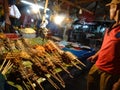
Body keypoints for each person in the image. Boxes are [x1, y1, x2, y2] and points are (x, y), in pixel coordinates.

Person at [87, 0, 120, 90]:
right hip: (97, 66)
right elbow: (106, 46)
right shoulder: (111, 26)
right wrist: (96, 55)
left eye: (110, 8)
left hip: (109, 73)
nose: (109, 11)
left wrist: (119, 83)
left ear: (116, 7)